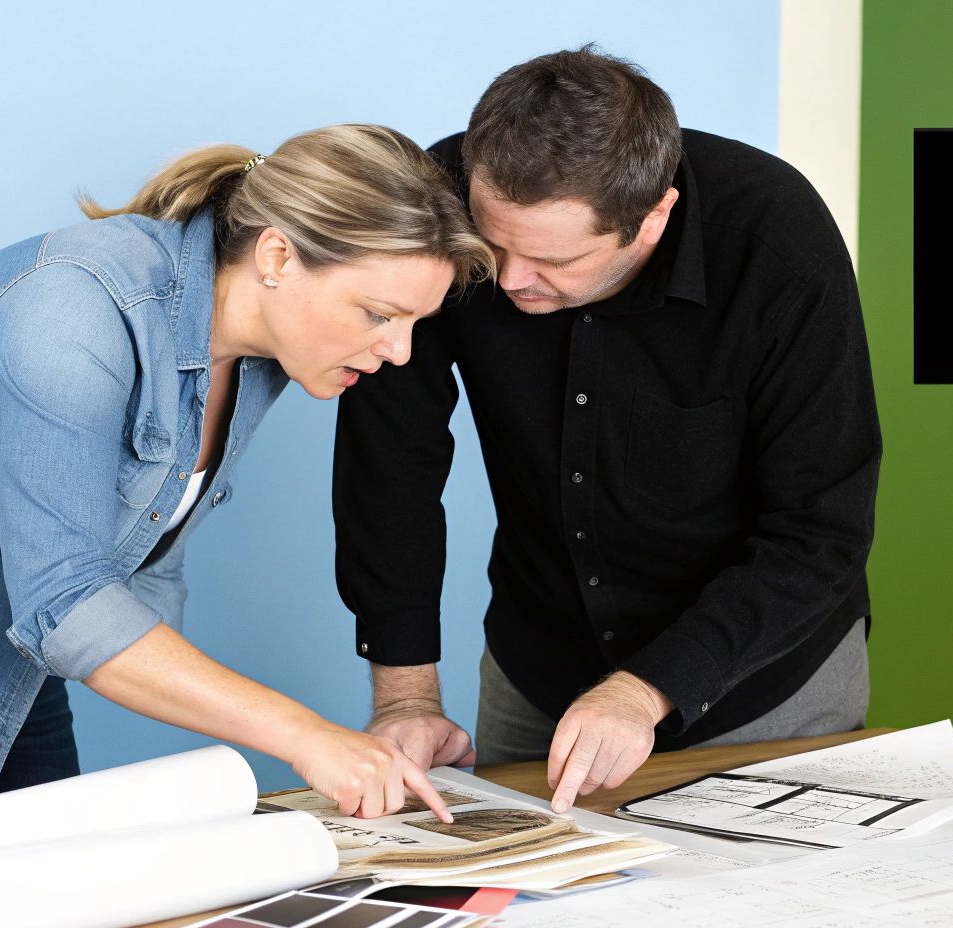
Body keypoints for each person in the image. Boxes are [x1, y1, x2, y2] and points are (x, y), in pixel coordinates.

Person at [0, 124, 494, 870]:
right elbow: (70, 602)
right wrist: (307, 737)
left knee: (45, 926)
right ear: (277, 255)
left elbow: (141, 561)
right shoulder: (71, 306)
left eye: (415, 323)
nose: (400, 352)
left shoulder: (264, 354)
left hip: (14, 667)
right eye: (378, 313)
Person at [335, 47, 882, 813]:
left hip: (764, 684)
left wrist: (644, 691)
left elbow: (820, 530)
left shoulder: (777, 243)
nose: (510, 278)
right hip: (540, 665)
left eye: (553, 259)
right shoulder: (441, 200)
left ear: (653, 216)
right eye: (495, 244)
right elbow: (389, 462)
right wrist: (404, 697)